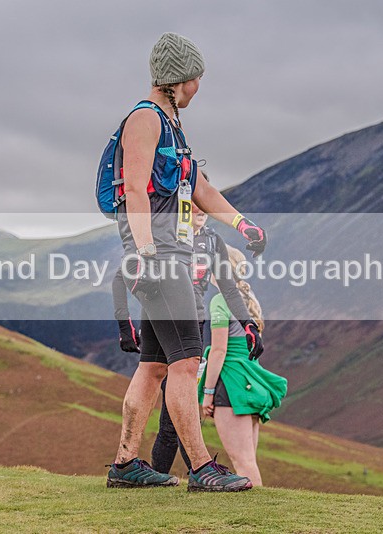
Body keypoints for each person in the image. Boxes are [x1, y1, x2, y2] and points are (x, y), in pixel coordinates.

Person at [105, 32, 267, 492]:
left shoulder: (174, 127)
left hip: (168, 254)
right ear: (177, 79)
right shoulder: (145, 119)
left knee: (154, 366)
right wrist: (143, 250)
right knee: (186, 363)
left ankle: (125, 464)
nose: (198, 87)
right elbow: (135, 188)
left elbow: (201, 189)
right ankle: (200, 468)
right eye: (195, 78)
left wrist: (243, 225)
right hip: (161, 257)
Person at [112, 196, 261, 475]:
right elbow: (122, 274)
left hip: (195, 321)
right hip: (166, 314)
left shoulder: (212, 240)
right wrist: (124, 324)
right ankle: (198, 469)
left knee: (166, 402)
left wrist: (248, 323)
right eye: (191, 202)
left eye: (202, 203)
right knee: (168, 412)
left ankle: (141, 468)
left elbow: (228, 287)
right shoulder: (163, 234)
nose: (199, 209)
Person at [198, 245, 287, 486]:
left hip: (231, 383)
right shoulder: (248, 298)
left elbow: (219, 351)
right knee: (249, 459)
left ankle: (257, 516)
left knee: (242, 461)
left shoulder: (220, 300)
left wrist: (207, 393)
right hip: (252, 383)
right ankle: (260, 513)